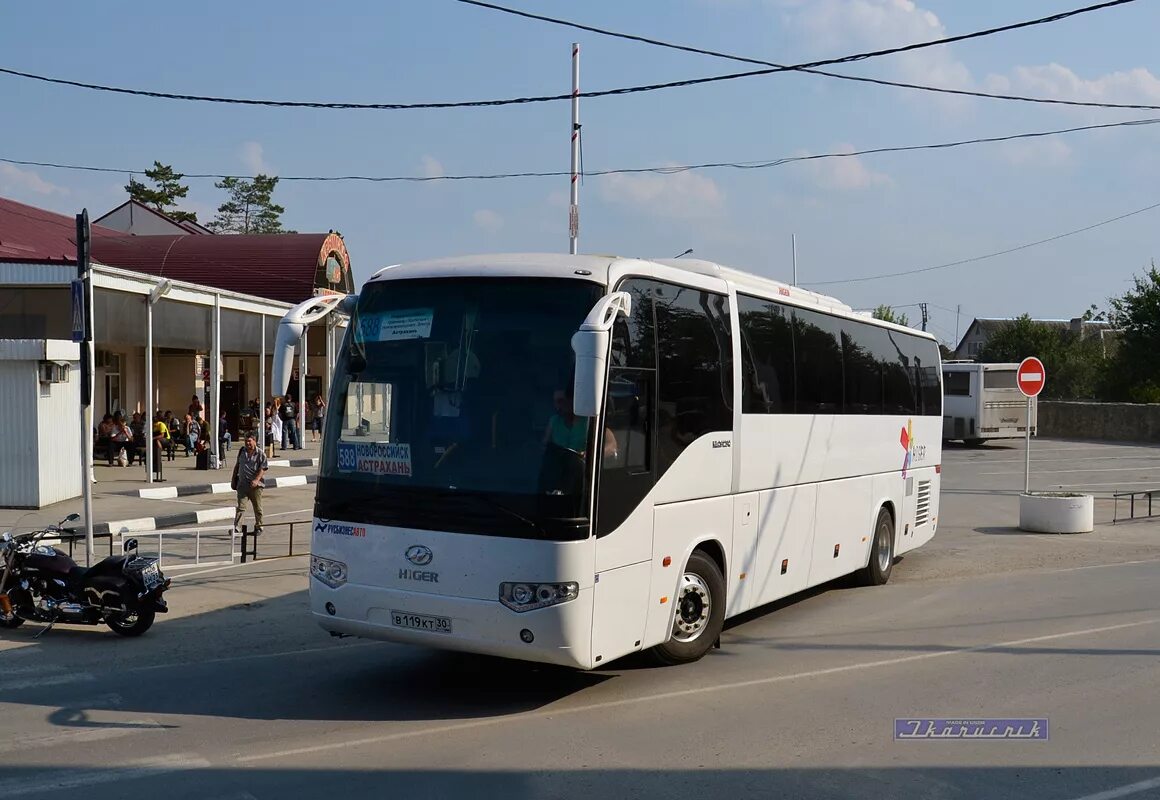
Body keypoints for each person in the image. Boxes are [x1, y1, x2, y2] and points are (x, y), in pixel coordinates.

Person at [232, 434, 267, 534]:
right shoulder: (242, 451)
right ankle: (237, 528)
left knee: (258, 508)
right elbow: (237, 465)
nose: (247, 443)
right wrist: (233, 479)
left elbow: (263, 468)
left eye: (249, 441)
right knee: (240, 507)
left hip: (255, 487)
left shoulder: (260, 453)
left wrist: (256, 480)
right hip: (242, 485)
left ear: (254, 441)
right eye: (246, 441)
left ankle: (259, 527)